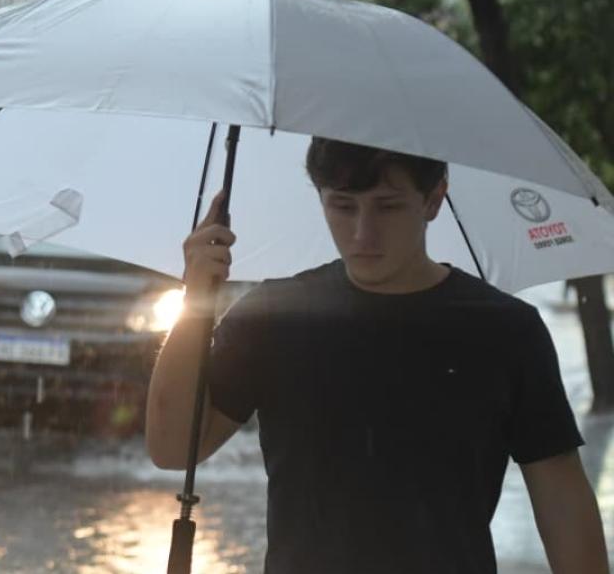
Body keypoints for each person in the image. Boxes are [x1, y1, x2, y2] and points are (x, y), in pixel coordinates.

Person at [146, 137, 609, 573]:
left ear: (434, 199)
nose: (362, 234)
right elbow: (171, 448)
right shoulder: (274, 318)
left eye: (387, 207)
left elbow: (562, 499)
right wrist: (194, 303)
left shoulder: (505, 331)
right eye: (342, 206)